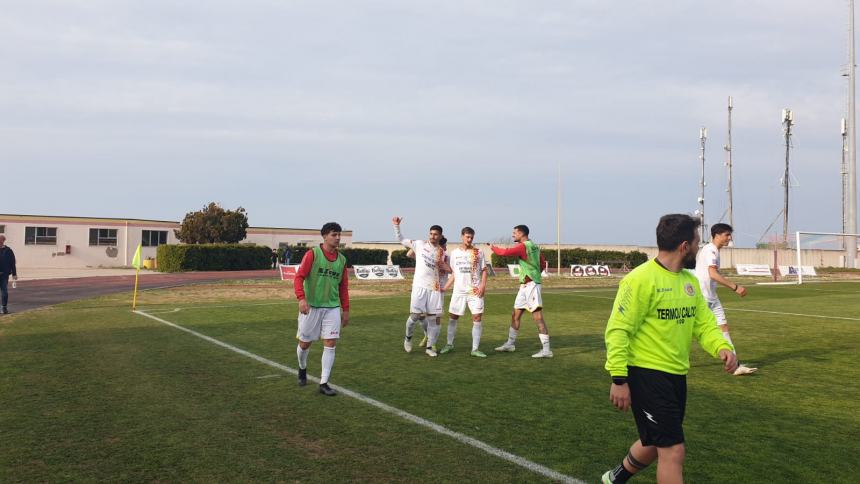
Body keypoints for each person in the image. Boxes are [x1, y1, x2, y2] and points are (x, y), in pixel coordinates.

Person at [601, 214, 738, 484]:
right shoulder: (639, 280)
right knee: (673, 449)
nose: (699, 248)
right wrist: (619, 378)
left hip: (676, 375)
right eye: (697, 242)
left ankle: (615, 477)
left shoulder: (688, 281)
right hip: (646, 375)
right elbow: (618, 330)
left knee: (655, 441)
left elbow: (704, 323)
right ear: (684, 246)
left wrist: (721, 346)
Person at [293, 222, 350, 396]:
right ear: (324, 236)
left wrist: (345, 309)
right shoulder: (313, 254)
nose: (338, 237)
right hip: (311, 307)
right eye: (334, 234)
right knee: (304, 344)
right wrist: (301, 299)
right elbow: (299, 277)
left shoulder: (342, 260)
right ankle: (302, 368)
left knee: (330, 343)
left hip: (332, 308)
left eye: (339, 234)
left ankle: (324, 382)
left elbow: (343, 287)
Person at [694, 223, 757, 376]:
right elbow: (713, 274)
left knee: (724, 329)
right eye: (727, 235)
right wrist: (735, 287)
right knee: (684, 331)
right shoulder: (710, 250)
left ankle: (735, 365)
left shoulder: (714, 250)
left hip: (711, 297)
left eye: (730, 235)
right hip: (702, 297)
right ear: (716, 235)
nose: (730, 238)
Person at [489, 225, 553, 358]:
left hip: (531, 286)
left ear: (521, 233)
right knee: (515, 315)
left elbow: (504, 253)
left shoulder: (523, 246)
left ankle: (547, 350)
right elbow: (541, 264)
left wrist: (492, 247)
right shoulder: (534, 246)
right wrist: (534, 275)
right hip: (526, 285)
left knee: (538, 317)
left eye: (515, 233)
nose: (513, 235)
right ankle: (510, 344)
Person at [393, 217, 451, 357]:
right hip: (419, 286)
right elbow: (401, 239)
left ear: (440, 236)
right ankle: (408, 338)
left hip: (434, 288)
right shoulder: (419, 244)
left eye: (435, 234)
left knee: (432, 318)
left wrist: (446, 268)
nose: (432, 236)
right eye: (431, 233)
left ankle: (430, 347)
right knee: (415, 316)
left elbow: (447, 270)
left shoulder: (442, 253)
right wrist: (396, 226)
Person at [441, 227, 488, 357]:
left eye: (471, 237)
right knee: (453, 317)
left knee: (477, 317)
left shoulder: (478, 252)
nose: (469, 239)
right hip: (459, 291)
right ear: (462, 236)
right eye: (467, 237)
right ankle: (449, 344)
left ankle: (475, 349)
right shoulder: (455, 253)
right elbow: (454, 273)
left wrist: (483, 286)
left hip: (474, 290)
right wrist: (445, 287)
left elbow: (484, 270)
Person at [0, 235, 17, 314]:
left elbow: (12, 263)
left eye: (1, 240)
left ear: (3, 240)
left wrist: (14, 274)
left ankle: (4, 308)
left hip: (4, 275)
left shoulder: (8, 250)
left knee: (4, 291)